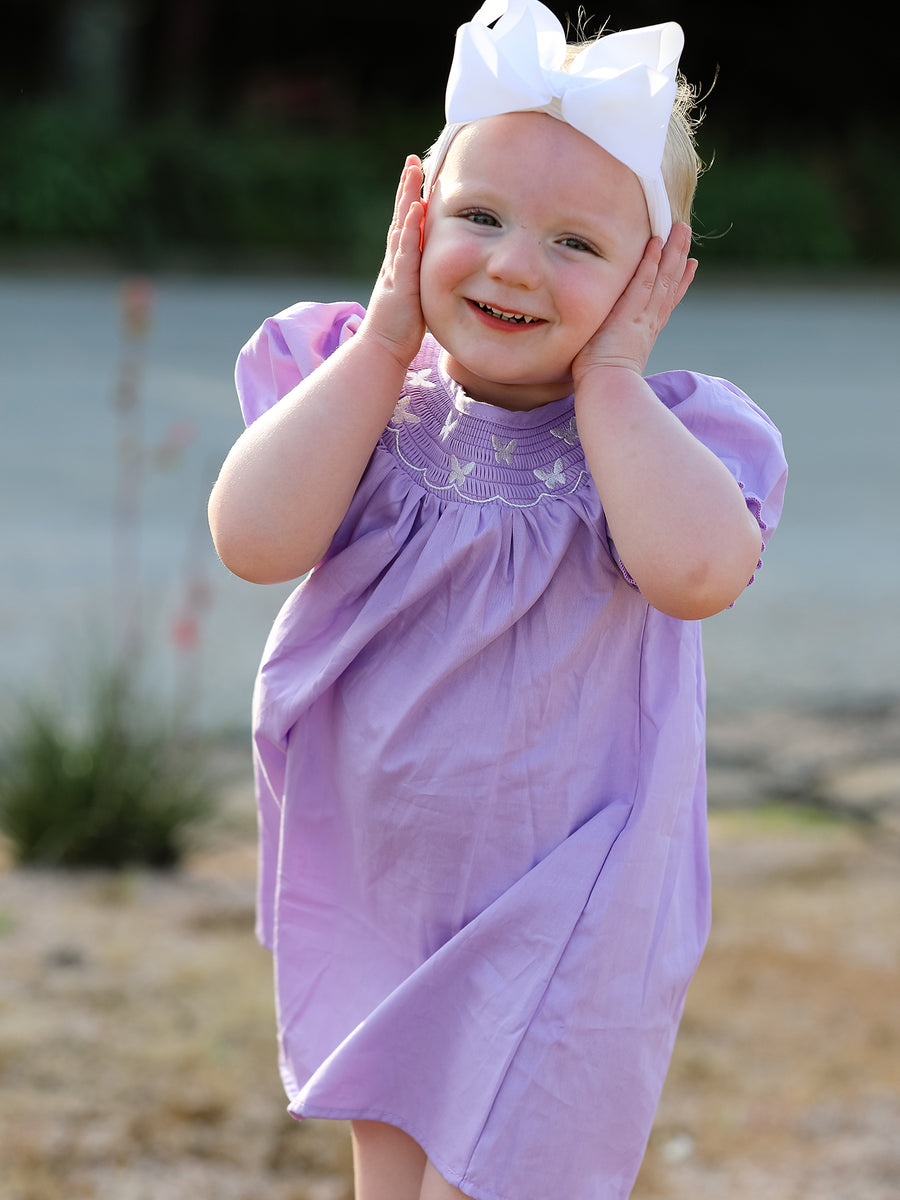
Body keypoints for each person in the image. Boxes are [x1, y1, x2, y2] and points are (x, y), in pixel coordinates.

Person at [208, 3, 787, 1197]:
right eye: (478, 218)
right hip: (386, 883)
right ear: (414, 215)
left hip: (576, 893)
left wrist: (615, 381)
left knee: (524, 1166)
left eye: (578, 244)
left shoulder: (666, 440)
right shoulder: (361, 390)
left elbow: (699, 575)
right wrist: (379, 343)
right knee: (394, 1146)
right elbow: (253, 541)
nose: (515, 264)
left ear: (656, 271)